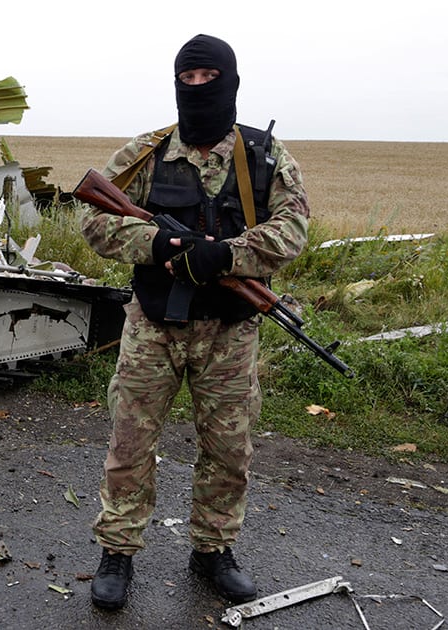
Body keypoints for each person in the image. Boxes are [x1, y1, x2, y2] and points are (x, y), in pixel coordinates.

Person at [80, 34, 310, 610]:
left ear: (230, 81)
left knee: (229, 450)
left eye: (210, 77)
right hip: (152, 327)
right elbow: (93, 222)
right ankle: (117, 552)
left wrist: (227, 255)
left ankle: (212, 551)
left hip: (230, 334)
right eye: (189, 78)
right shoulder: (147, 151)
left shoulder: (265, 155)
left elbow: (292, 232)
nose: (199, 88)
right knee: (131, 444)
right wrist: (159, 243)